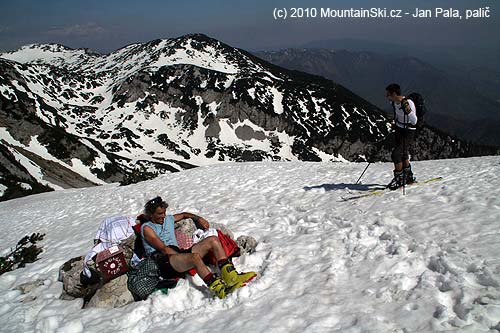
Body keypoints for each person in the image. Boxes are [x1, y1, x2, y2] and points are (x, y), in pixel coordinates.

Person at [140, 196, 256, 299]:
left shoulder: (168, 219)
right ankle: (218, 289)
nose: (163, 216)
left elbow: (184, 214)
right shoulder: (147, 228)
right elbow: (163, 249)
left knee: (213, 240)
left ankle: (231, 276)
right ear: (151, 215)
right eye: (159, 214)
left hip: (177, 254)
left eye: (164, 212)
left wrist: (198, 218)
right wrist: (184, 256)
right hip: (162, 261)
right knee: (194, 257)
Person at [385, 83, 417, 190]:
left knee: (396, 154)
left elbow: (414, 121)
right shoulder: (394, 103)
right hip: (399, 129)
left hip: (408, 131)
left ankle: (399, 179)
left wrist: (407, 109)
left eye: (388, 94)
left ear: (394, 94)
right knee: (403, 154)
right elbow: (398, 115)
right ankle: (408, 177)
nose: (387, 96)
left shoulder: (407, 103)